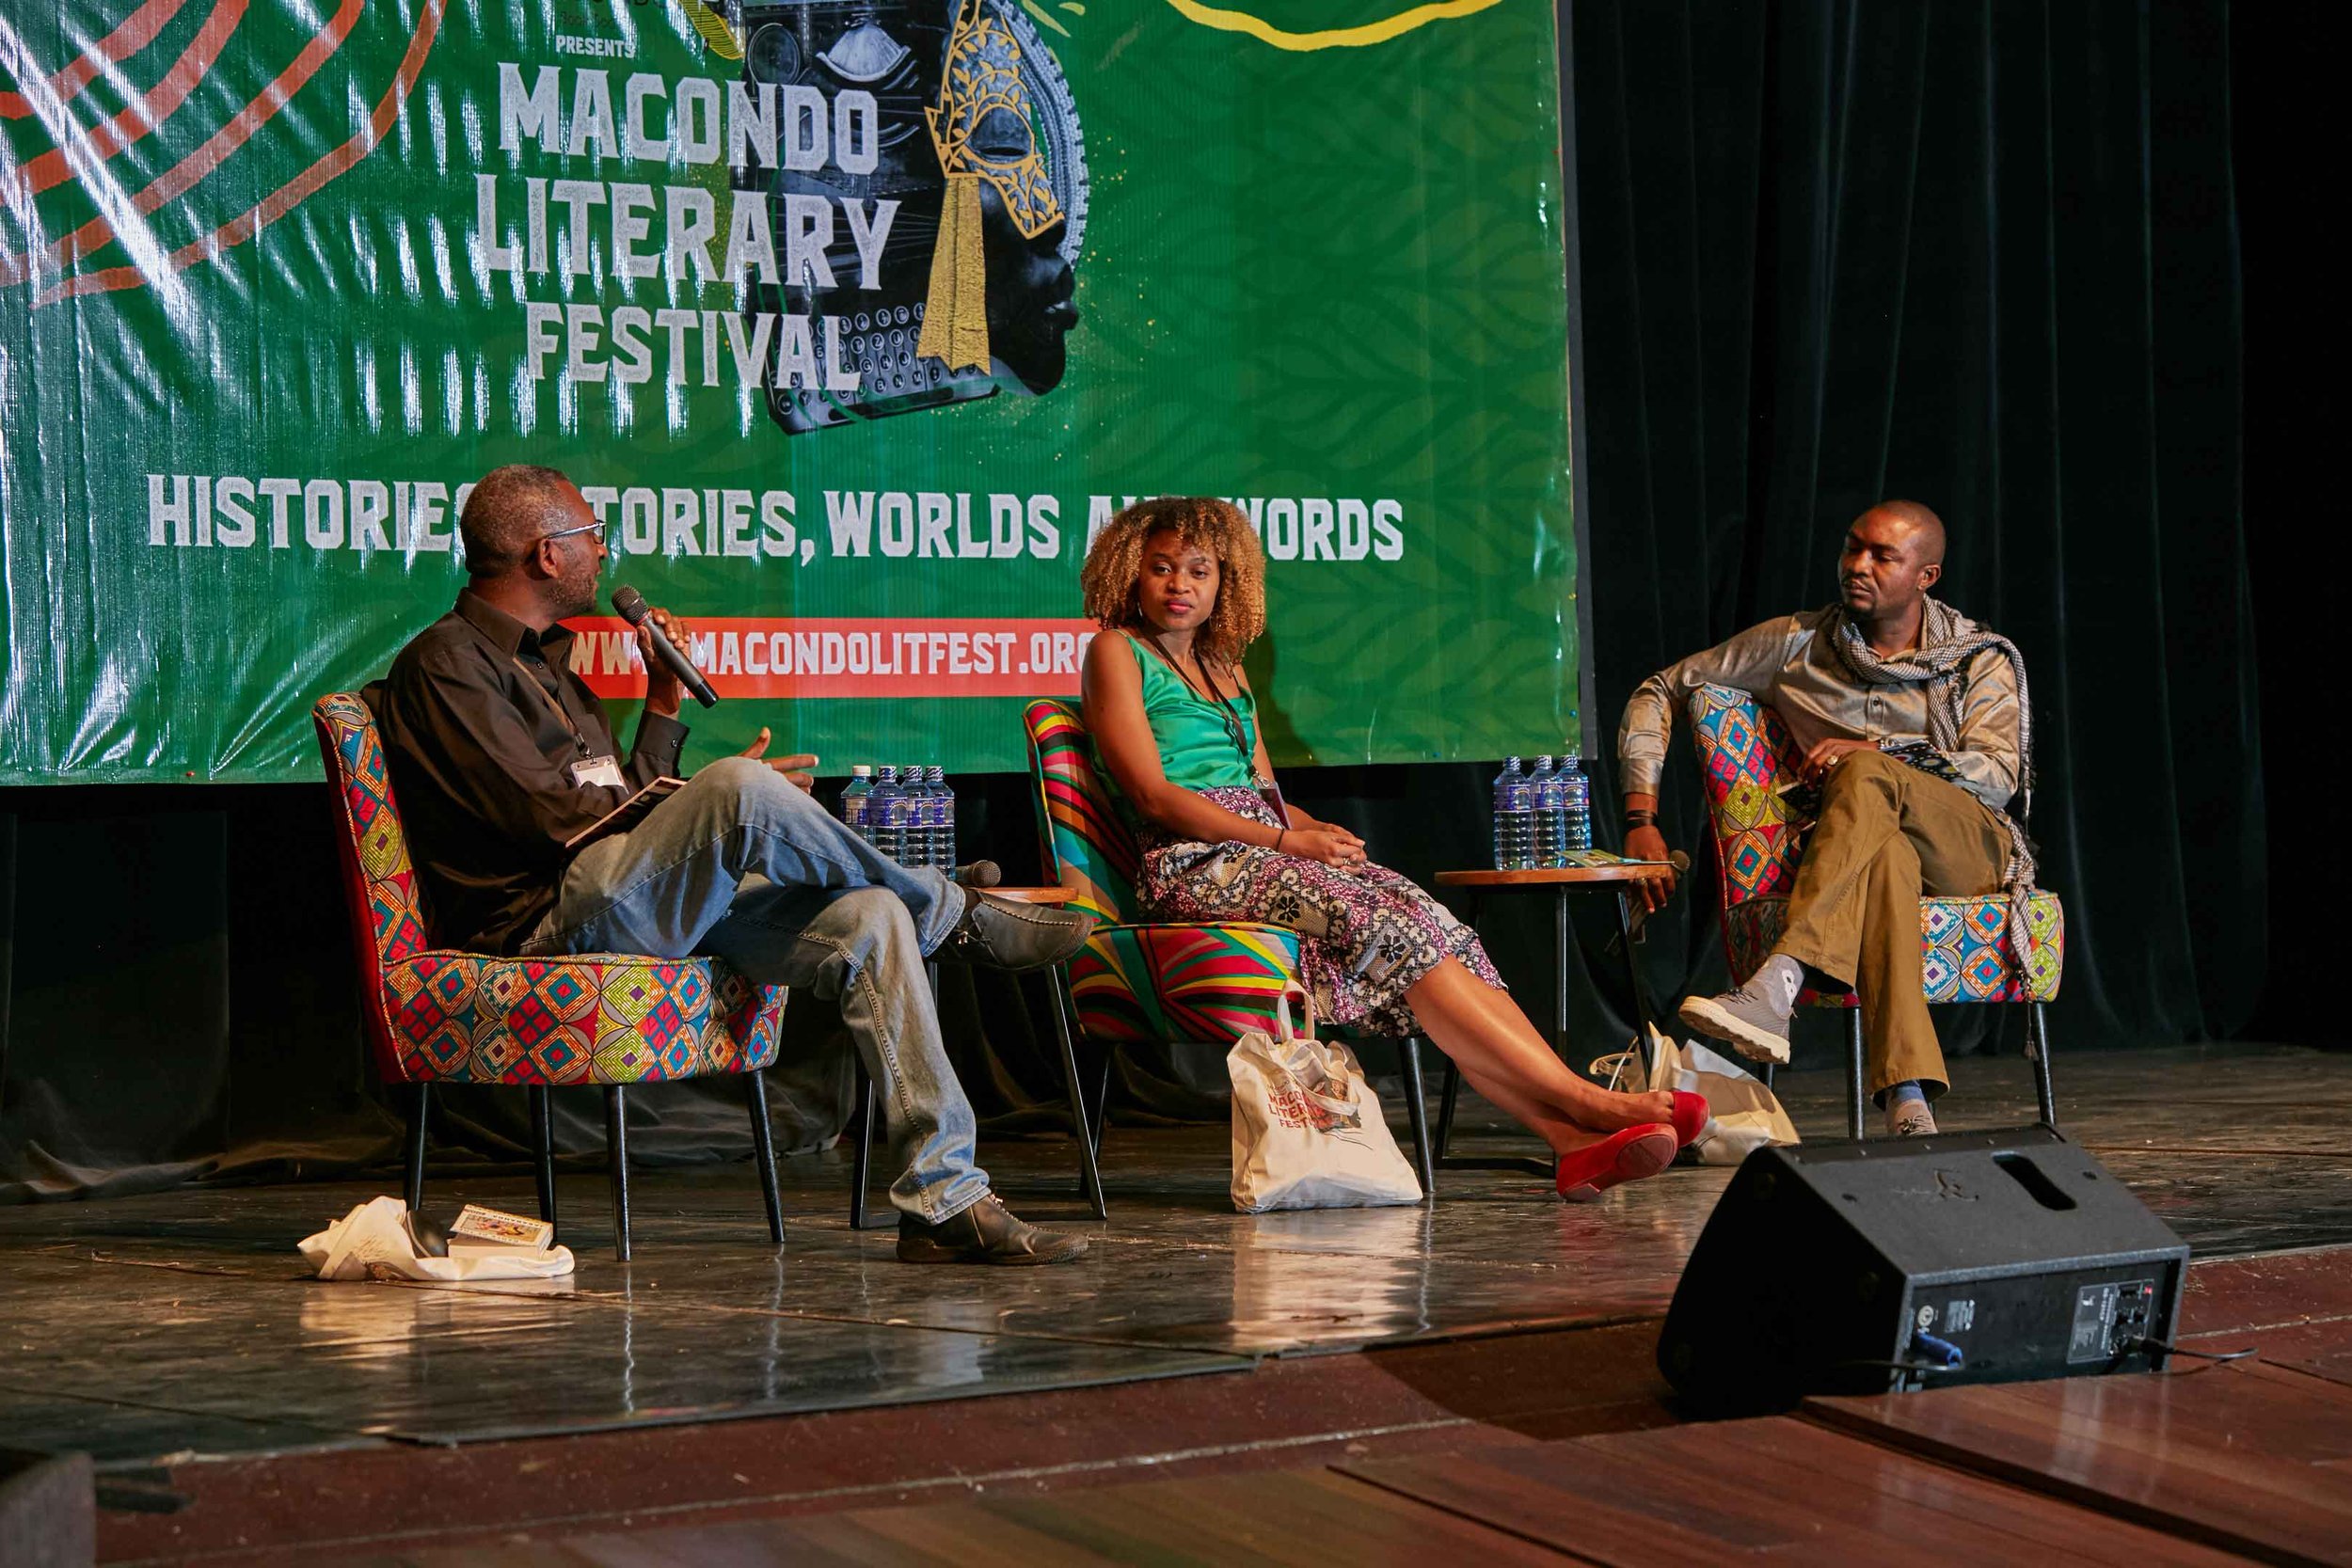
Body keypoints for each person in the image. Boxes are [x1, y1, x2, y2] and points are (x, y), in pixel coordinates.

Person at [375, 464, 1097, 1264]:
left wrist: (663, 705)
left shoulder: (555, 670)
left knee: (871, 919)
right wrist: (717, 799)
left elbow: (621, 800)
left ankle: (943, 1198)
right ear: (546, 553)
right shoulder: (447, 665)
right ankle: (953, 912)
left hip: (628, 896)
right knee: (740, 790)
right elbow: (556, 825)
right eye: (592, 535)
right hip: (547, 919)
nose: (603, 552)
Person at [1077, 498, 1705, 1202]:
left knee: (1435, 924)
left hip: (1262, 848)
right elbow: (1155, 795)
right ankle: (1591, 1104)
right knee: (1390, 931)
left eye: (1199, 570)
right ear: (1131, 574)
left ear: (1227, 581)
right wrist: (1289, 841)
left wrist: (1322, 839)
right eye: (1161, 569)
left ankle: (1567, 1141)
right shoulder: (1115, 651)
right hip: (1194, 864)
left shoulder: (1229, 670)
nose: (1179, 585)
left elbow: (1264, 795)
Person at [1618, 499, 2040, 1137]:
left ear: (1926, 576)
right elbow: (1662, 687)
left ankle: (1782, 976)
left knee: (1865, 774)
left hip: (1966, 846)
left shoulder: (1978, 658)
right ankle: (1907, 1098)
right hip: (1857, 848)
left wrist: (1880, 753)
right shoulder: (1795, 645)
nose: (1857, 565)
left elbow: (1998, 776)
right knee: (1885, 854)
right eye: (1852, 548)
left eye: (1882, 556)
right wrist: (1640, 814)